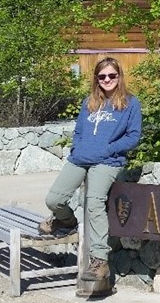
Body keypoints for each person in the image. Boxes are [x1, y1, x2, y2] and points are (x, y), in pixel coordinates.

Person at [38, 57, 142, 288]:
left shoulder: (130, 103)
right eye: (102, 76)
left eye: (111, 76)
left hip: (107, 162)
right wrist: (78, 147)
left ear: (119, 77)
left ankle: (99, 261)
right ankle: (66, 221)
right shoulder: (89, 102)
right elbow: (79, 131)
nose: (107, 80)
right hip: (80, 158)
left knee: (94, 203)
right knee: (54, 199)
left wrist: (109, 149)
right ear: (96, 78)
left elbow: (134, 136)